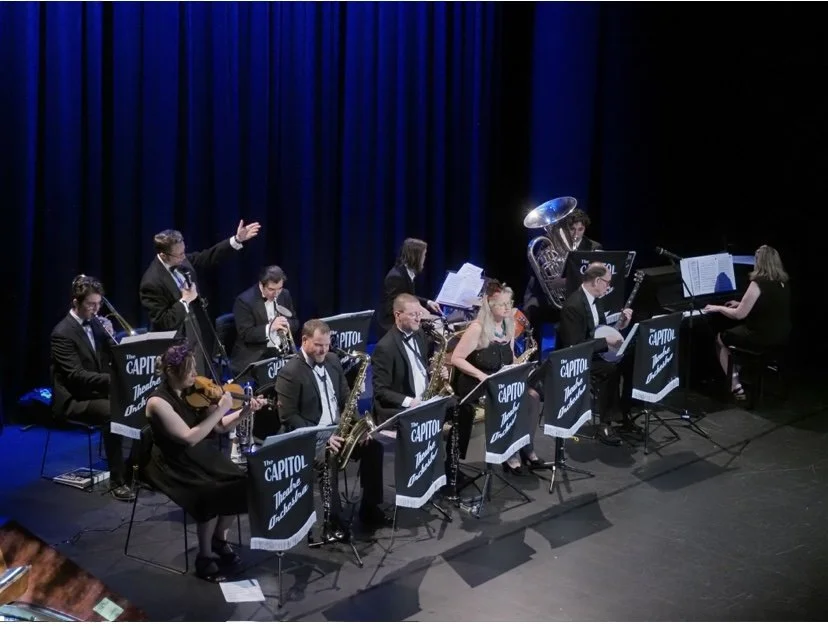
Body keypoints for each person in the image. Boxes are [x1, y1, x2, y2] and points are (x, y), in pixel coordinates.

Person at [144, 343, 267, 583]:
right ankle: (204, 556)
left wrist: (244, 412)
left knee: (242, 481)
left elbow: (219, 427)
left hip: (199, 453)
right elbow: (188, 437)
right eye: (189, 370)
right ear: (171, 372)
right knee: (210, 492)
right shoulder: (157, 402)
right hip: (171, 462)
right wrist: (221, 409)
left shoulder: (194, 392)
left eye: (194, 369)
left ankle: (219, 538)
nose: (195, 375)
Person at [275, 319, 390, 536]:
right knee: (329, 458)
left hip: (338, 429)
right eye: (318, 345)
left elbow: (346, 398)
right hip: (310, 437)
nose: (323, 350)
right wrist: (322, 436)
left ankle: (370, 508)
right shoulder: (290, 372)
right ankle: (333, 521)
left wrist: (359, 427)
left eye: (327, 345)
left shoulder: (332, 360)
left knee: (374, 447)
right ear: (304, 340)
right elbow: (288, 417)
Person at [50, 275, 134, 501]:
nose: (96, 310)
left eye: (98, 304)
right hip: (75, 399)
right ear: (75, 303)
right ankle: (118, 480)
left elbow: (110, 357)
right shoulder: (62, 333)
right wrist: (114, 381)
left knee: (139, 402)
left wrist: (111, 335)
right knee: (113, 412)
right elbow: (76, 376)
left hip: (98, 391)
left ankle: (136, 468)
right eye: (91, 305)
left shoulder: (96, 323)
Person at [450, 280, 546, 475]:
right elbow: (456, 358)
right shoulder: (477, 328)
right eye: (502, 304)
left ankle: (526, 447)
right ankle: (509, 454)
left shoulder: (508, 325)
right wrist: (481, 375)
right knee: (512, 399)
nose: (507, 308)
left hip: (500, 380)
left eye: (509, 303)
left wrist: (521, 367)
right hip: (478, 383)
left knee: (533, 396)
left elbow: (509, 358)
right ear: (490, 305)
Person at [139, 221, 261, 374]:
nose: (184, 257)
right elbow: (163, 321)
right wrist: (185, 300)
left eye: (184, 251)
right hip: (175, 346)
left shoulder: (181, 259)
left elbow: (208, 256)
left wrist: (237, 240)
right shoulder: (151, 282)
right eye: (179, 254)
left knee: (201, 376)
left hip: (196, 332)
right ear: (163, 255)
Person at [556, 262, 637, 446]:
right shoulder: (573, 306)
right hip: (577, 359)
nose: (609, 286)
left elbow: (600, 329)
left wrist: (621, 325)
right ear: (597, 281)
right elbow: (574, 346)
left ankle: (624, 414)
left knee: (629, 361)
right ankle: (605, 424)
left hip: (594, 351)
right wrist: (605, 342)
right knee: (609, 370)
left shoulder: (596, 300)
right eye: (607, 282)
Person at [703, 245, 791, 401]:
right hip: (781, 335)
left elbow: (739, 315)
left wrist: (717, 308)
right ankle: (735, 369)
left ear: (760, 262)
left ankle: (735, 385)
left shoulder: (758, 283)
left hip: (760, 336)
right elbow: (768, 304)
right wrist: (741, 303)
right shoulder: (782, 282)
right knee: (736, 335)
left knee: (720, 339)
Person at [522, 208, 603, 333]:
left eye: (580, 229)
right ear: (565, 228)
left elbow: (596, 278)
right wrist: (545, 263)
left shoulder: (594, 247)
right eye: (572, 229)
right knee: (531, 306)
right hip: (555, 298)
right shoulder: (551, 243)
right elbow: (539, 269)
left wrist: (566, 282)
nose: (576, 234)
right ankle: (533, 343)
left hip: (580, 297)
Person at [230, 265, 299, 376]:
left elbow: (295, 322)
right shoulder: (244, 301)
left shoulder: (285, 294)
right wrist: (270, 327)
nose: (276, 294)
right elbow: (246, 334)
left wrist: (287, 325)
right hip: (255, 355)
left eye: (279, 288)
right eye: (271, 289)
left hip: (281, 354)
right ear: (261, 285)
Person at [377, 238, 442, 333]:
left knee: (435, 323)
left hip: (403, 317)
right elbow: (393, 306)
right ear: (416, 256)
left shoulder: (407, 272)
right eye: (424, 255)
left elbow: (406, 296)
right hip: (391, 322)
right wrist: (418, 311)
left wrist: (428, 302)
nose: (424, 258)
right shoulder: (396, 277)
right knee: (434, 327)